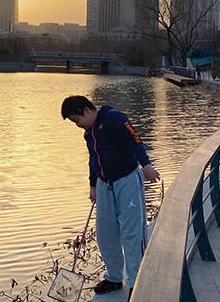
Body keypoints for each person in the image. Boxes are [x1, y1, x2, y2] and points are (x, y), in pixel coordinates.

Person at [61, 96, 160, 297]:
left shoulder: (114, 118)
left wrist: (146, 164)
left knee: (132, 233)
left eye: (76, 120)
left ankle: (135, 282)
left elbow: (135, 139)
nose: (77, 125)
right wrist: (92, 185)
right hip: (104, 184)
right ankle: (114, 277)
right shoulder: (89, 134)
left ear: (86, 110)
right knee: (105, 233)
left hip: (127, 180)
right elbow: (93, 159)